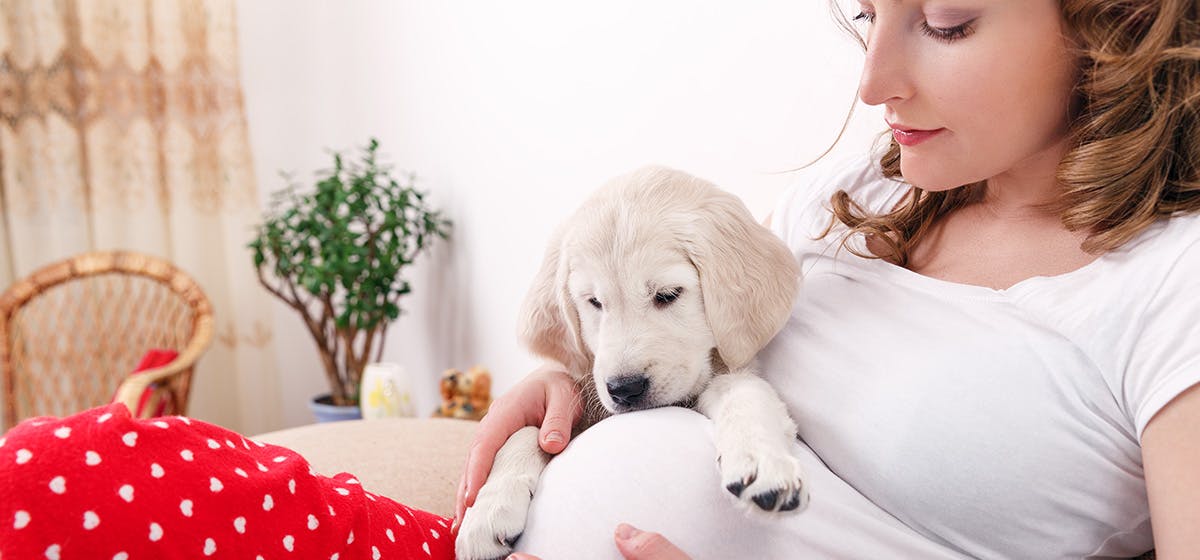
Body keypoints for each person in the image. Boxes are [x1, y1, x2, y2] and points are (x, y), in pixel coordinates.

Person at [456, 0, 1200, 558]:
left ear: (1116, 21)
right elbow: (700, 359)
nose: (872, 82)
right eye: (867, 13)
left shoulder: (1174, 285)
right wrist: (573, 395)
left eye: (945, 23)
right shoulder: (852, 198)